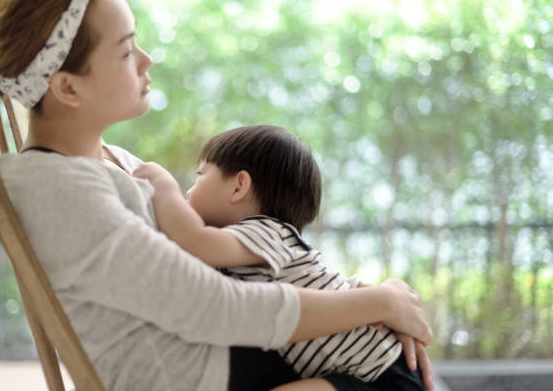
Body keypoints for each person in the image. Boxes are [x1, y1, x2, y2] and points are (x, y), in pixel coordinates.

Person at [0, 0, 433, 391]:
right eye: (125, 51)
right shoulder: (63, 191)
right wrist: (377, 302)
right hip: (203, 371)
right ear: (67, 87)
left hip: (233, 355)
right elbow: (216, 306)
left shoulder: (101, 162)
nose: (145, 60)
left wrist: (373, 308)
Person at [132, 125, 430, 391]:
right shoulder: (261, 244)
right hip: (361, 372)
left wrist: (163, 185)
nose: (189, 189)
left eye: (200, 175)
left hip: (381, 374)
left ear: (239, 186)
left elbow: (196, 242)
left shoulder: (267, 231)